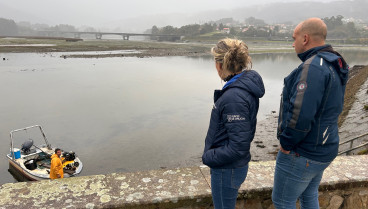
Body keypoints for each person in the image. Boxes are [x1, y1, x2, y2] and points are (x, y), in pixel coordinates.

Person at [272, 18, 349, 208]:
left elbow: (301, 114)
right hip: (324, 147)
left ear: (305, 38)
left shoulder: (313, 67)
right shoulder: (334, 62)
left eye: (294, 38)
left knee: (282, 201)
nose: (292, 43)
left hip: (303, 152)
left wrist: (286, 143)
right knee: (309, 195)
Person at [202, 38, 265, 209]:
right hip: (231, 167)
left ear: (219, 64)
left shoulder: (234, 97)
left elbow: (238, 147)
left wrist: (208, 157)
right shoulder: (241, 88)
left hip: (226, 169)